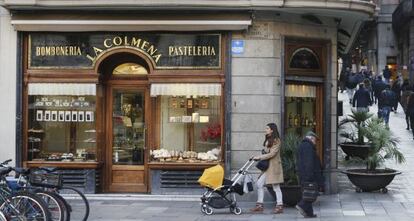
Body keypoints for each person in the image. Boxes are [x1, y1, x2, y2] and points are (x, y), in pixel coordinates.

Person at [250, 123, 284, 214]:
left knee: (276, 186)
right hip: (267, 166)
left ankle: (280, 205)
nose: (266, 130)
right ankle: (259, 205)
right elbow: (267, 152)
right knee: (259, 183)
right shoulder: (269, 139)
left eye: (267, 128)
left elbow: (272, 154)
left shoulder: (276, 140)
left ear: (272, 130)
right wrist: (260, 155)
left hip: (273, 166)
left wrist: (259, 157)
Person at [295, 131, 323, 218]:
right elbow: (308, 162)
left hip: (304, 174)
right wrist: (309, 176)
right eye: (315, 140)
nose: (315, 142)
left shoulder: (303, 145)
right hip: (309, 174)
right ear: (311, 138)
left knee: (308, 192)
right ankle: (301, 205)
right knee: (312, 193)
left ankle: (309, 213)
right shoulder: (308, 146)